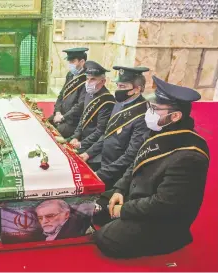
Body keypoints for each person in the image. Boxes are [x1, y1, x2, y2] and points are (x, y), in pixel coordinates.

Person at [92, 76, 210, 259]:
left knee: (105, 239)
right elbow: (136, 163)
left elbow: (164, 204)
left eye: (155, 109)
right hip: (140, 197)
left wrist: (124, 210)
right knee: (96, 209)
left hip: (163, 221)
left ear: (176, 116)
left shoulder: (190, 155)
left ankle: (167, 241)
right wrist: (119, 190)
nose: (150, 113)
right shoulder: (161, 130)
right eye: (150, 107)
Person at [78, 66, 150, 186]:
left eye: (123, 86)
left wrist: (101, 174)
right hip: (105, 161)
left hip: (118, 173)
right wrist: (88, 153)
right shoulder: (120, 103)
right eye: (117, 85)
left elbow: (131, 155)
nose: (118, 90)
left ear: (137, 89)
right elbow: (107, 133)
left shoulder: (142, 114)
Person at [68, 61, 115, 150]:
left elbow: (100, 131)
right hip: (81, 139)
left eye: (93, 79)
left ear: (103, 81)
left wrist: (81, 144)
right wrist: (75, 136)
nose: (88, 82)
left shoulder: (107, 100)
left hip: (92, 145)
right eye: (87, 79)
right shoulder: (90, 93)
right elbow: (83, 117)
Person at [48, 48, 88, 138]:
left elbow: (80, 105)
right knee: (45, 123)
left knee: (55, 134)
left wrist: (63, 117)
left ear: (82, 62)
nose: (70, 65)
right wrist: (57, 112)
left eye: (73, 62)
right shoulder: (70, 75)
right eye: (69, 62)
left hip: (72, 121)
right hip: (61, 114)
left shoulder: (87, 79)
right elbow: (61, 95)